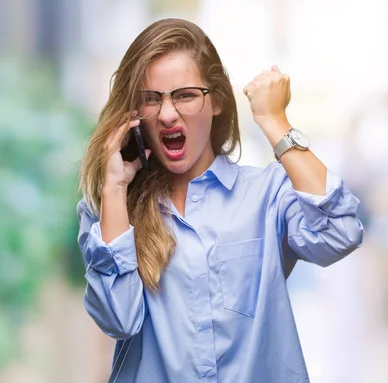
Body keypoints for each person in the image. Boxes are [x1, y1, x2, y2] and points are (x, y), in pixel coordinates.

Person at [76, 18, 363, 383]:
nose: (166, 114)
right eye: (151, 98)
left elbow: (342, 232)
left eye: (185, 95)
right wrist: (114, 189)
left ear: (217, 103)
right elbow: (118, 319)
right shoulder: (110, 211)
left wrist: (274, 121)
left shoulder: (268, 195)